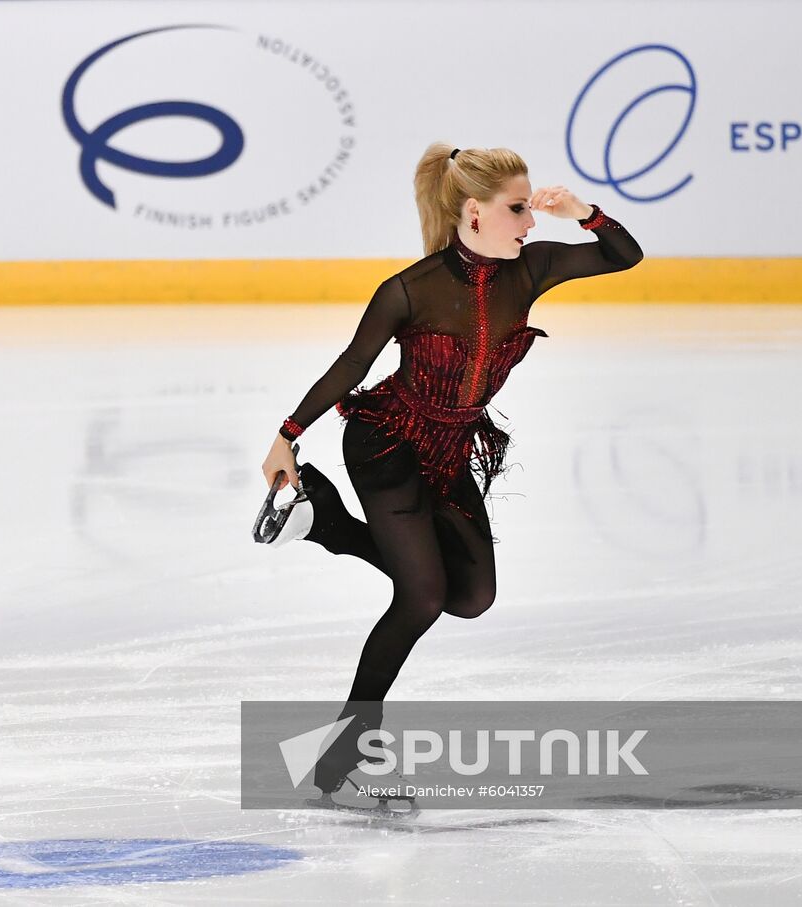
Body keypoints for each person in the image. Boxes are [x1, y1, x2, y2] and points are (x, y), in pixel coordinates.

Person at [259, 143, 643, 808]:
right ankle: (341, 763)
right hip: (386, 445)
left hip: (449, 447)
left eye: (529, 208)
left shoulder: (535, 267)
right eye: (517, 209)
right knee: (420, 598)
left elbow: (622, 254)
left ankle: (326, 523)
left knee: (470, 595)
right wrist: (287, 435)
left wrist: (579, 210)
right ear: (473, 212)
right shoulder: (411, 288)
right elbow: (352, 365)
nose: (529, 222)